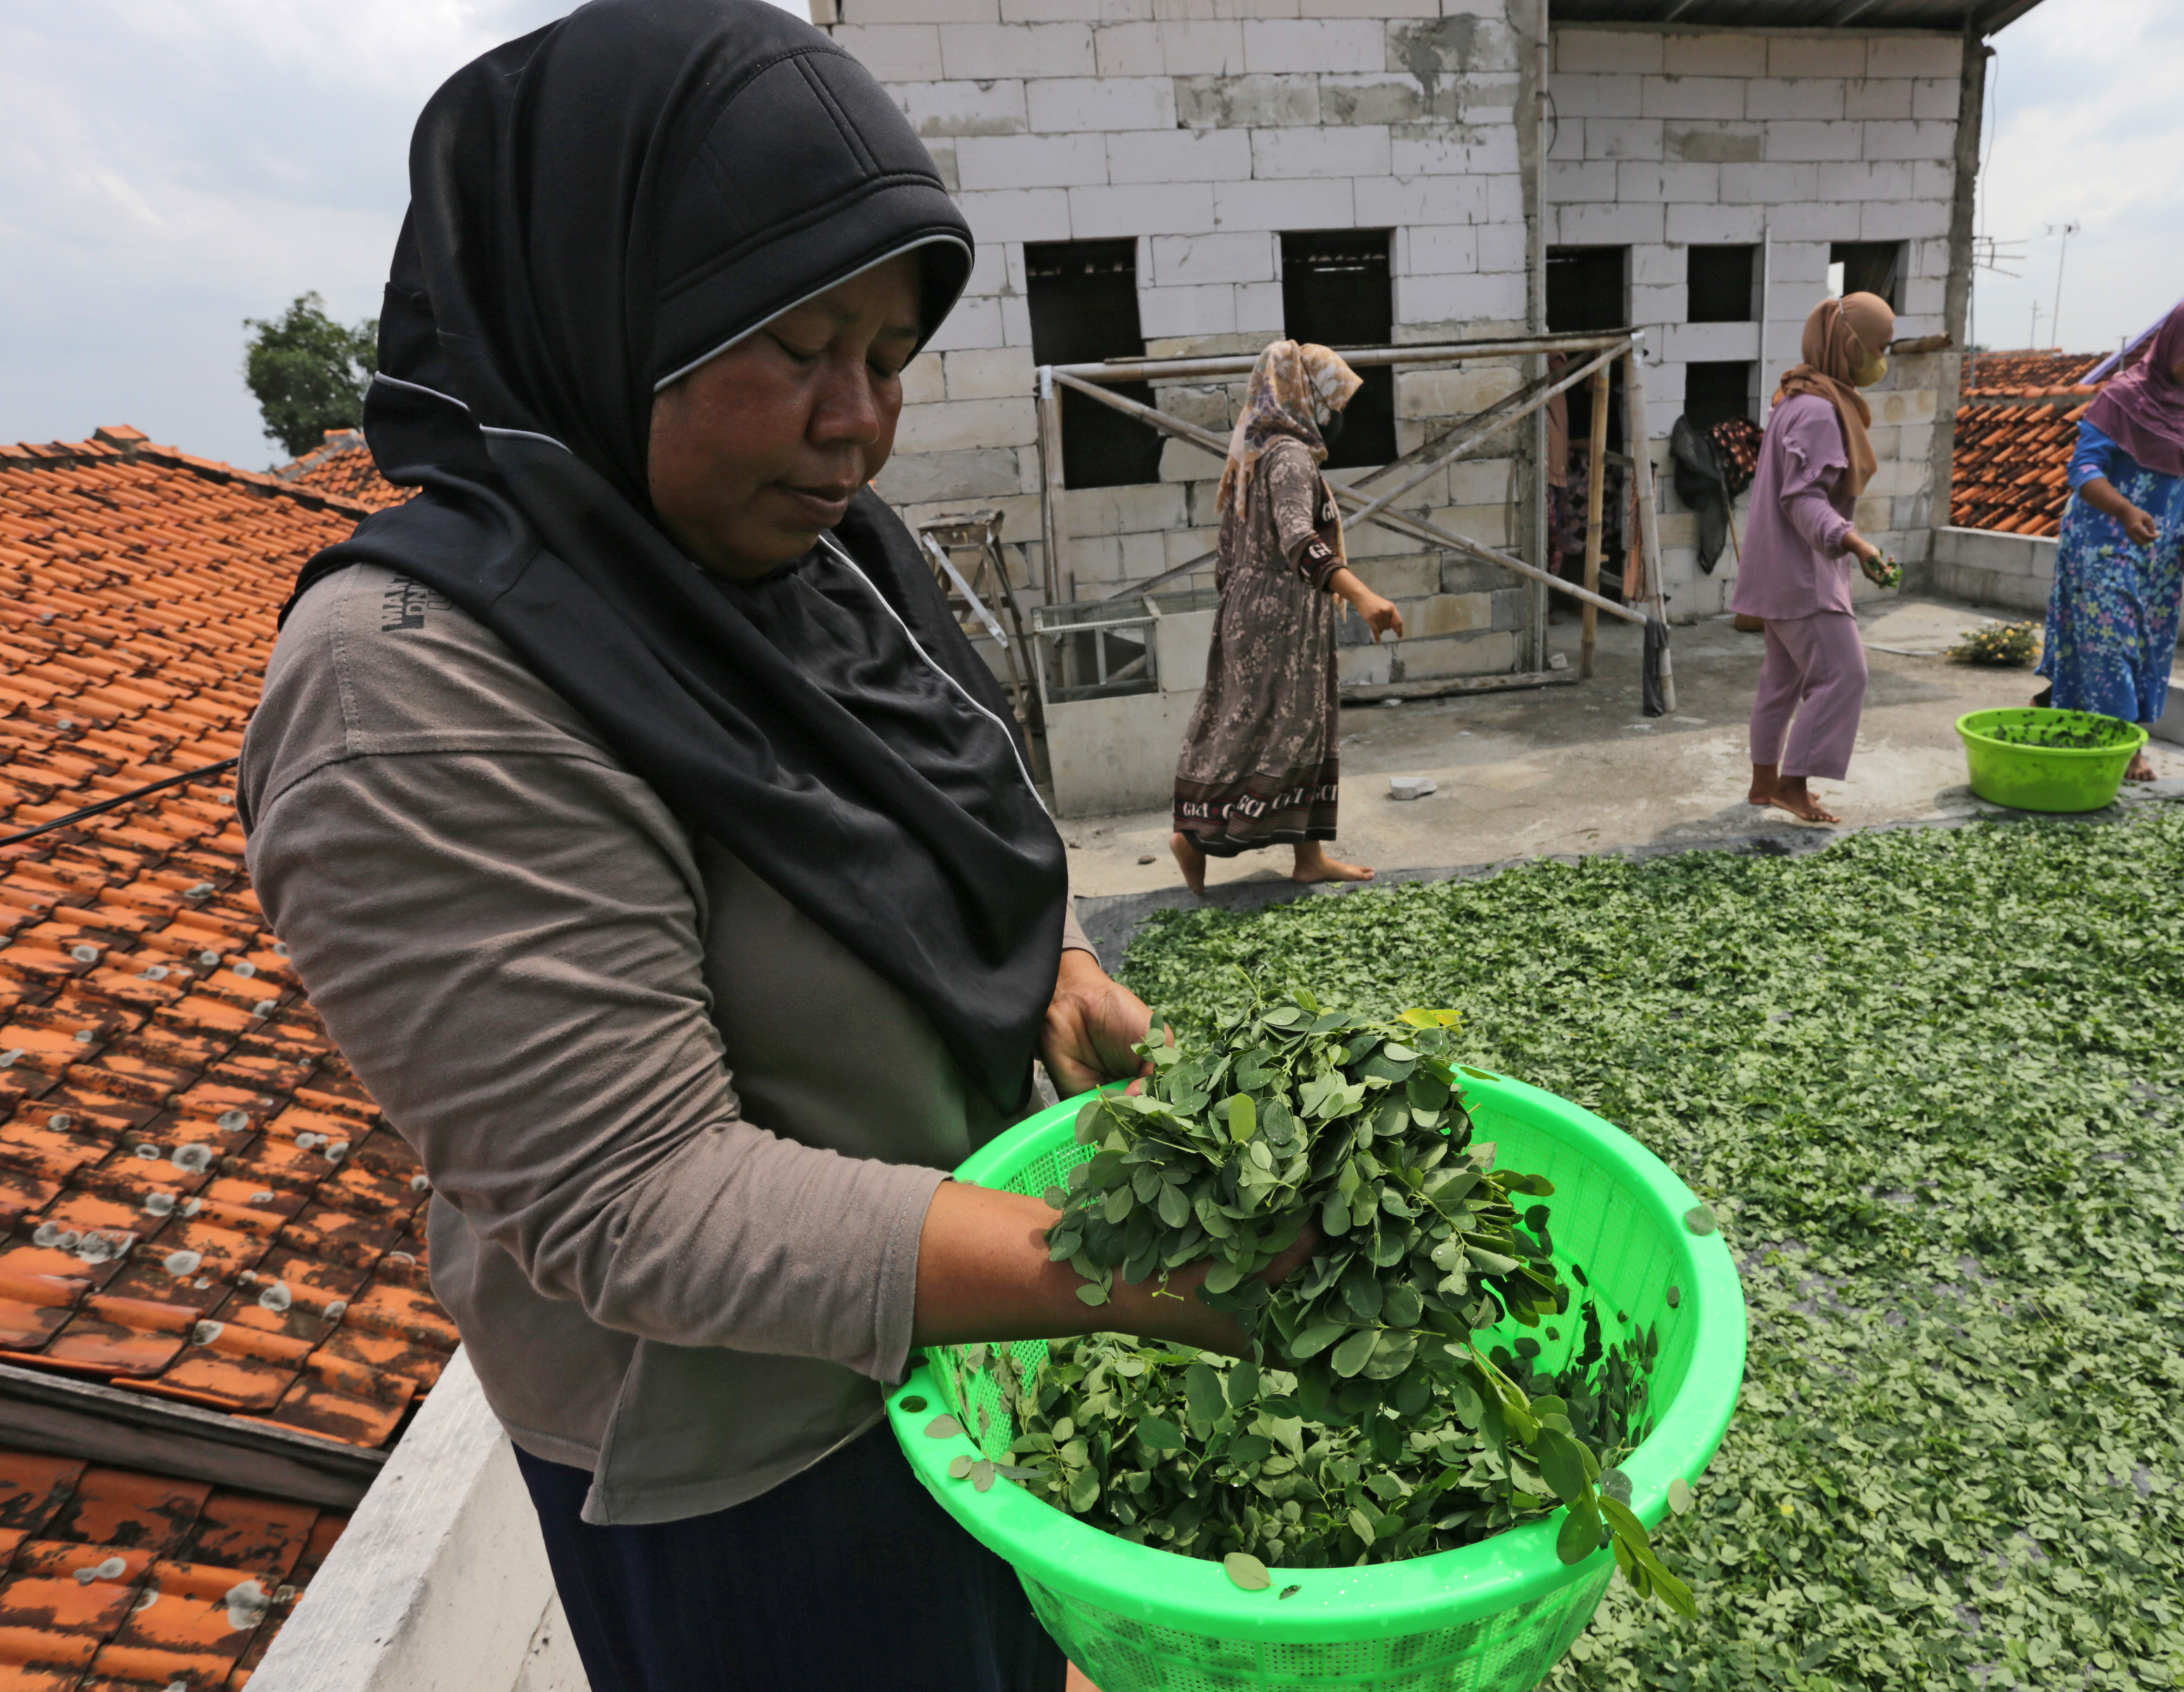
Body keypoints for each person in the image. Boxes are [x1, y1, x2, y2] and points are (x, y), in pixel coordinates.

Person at [235, 6, 1304, 1687]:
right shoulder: (415, 687)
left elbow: (946, 818)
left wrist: (1058, 974)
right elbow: (638, 1199)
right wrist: (1158, 1265)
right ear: (609, 311)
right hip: (744, 1474)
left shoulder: (812, 565)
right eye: (802, 342)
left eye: (888, 355)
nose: (857, 424)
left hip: (957, 1370)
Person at [1166, 341, 1404, 894]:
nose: (1337, 417)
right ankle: (1193, 837)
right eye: (1333, 403)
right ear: (1307, 397)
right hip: (1281, 619)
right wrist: (1364, 596)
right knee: (1263, 730)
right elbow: (1299, 540)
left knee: (1291, 727)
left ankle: (1308, 855)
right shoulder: (1291, 457)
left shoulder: (1254, 450)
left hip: (1255, 612)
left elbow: (1228, 552)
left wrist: (1239, 616)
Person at [2035, 295, 2184, 782]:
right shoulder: (2123, 396)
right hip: (2105, 541)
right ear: (2174, 342)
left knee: (2147, 643)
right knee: (2112, 642)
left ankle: (2059, 707)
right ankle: (2124, 745)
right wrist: (2124, 509)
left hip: (2159, 551)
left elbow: (2182, 461)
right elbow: (2083, 469)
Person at [1729, 292, 1897, 825]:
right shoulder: (1821, 411)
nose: (1881, 360)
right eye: (1878, 348)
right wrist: (1856, 542)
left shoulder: (1794, 398)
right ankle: (1792, 785)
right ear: (1849, 346)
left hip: (1775, 575)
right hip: (1804, 579)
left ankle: (1763, 785)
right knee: (1844, 675)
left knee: (1782, 682)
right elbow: (1802, 499)